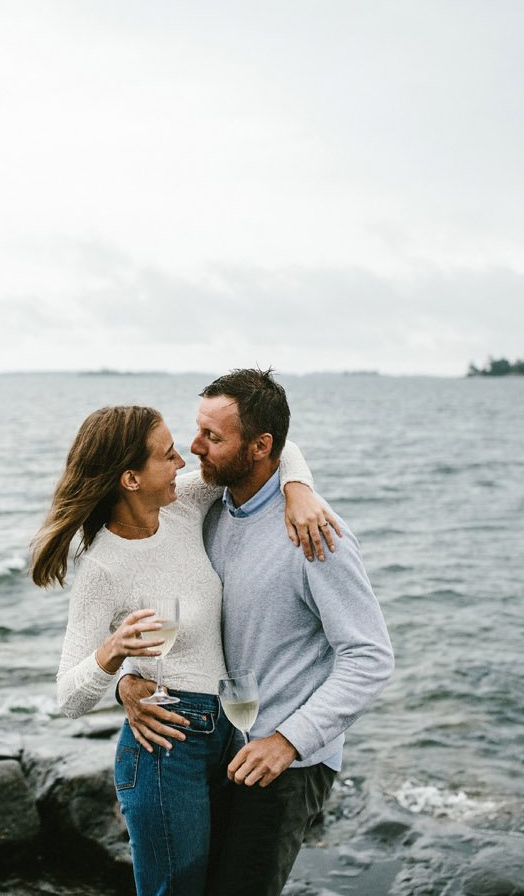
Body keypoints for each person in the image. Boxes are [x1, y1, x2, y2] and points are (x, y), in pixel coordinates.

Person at [29, 404, 338, 896]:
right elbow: (68, 699)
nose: (184, 461)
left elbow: (271, 451)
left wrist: (297, 490)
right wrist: (113, 657)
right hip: (166, 747)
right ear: (131, 478)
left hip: (229, 737)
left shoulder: (182, 506)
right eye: (167, 454)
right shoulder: (101, 568)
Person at [119, 369, 394, 896]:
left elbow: (369, 656)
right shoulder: (206, 508)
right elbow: (172, 614)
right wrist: (129, 678)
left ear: (261, 447)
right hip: (215, 743)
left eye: (213, 437)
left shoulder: (315, 535)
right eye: (197, 429)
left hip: (283, 763)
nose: (194, 447)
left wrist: (288, 740)